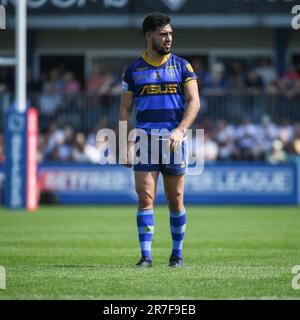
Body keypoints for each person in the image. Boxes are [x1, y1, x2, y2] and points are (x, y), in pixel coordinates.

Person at [118, 12, 200, 268]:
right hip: (144, 140)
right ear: (149, 36)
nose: (168, 38)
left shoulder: (182, 66)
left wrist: (181, 129)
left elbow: (194, 102)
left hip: (174, 140)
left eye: (170, 33)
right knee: (145, 197)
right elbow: (124, 111)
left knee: (175, 199)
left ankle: (177, 255)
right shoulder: (133, 71)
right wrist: (125, 143)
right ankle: (146, 256)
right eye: (163, 34)